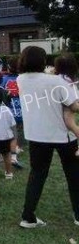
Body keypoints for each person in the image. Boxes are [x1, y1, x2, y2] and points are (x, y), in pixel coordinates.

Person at [17, 46, 79, 228]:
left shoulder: (21, 79)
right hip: (62, 135)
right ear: (43, 61)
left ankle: (28, 217)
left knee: (37, 175)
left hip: (36, 135)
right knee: (74, 175)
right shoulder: (56, 82)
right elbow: (74, 106)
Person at [0, 71, 23, 169]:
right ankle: (13, 156)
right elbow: (9, 102)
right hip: (5, 116)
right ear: (1, 80)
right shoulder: (5, 91)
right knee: (12, 135)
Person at [54, 54, 79, 156]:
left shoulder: (60, 78)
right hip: (70, 101)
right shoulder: (69, 78)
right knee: (71, 124)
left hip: (68, 104)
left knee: (70, 123)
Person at [2, 56, 24, 153]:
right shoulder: (23, 79)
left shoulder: (3, 79)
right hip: (23, 109)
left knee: (10, 128)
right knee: (19, 127)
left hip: (8, 110)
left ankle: (11, 144)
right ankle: (18, 144)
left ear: (8, 66)